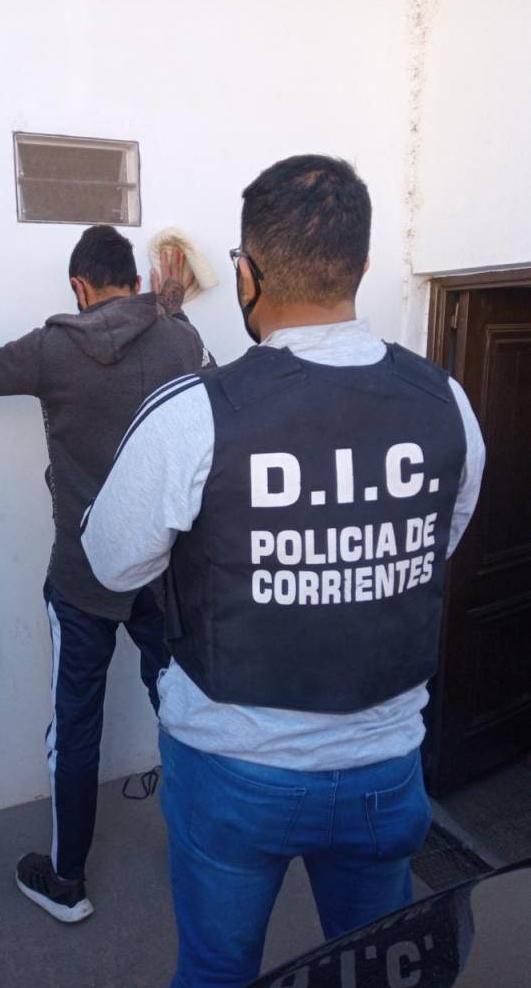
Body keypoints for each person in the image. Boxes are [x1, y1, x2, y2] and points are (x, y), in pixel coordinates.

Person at [81, 155, 486, 987]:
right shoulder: (447, 402)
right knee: (381, 971)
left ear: (247, 274)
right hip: (383, 767)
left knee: (217, 972)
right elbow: (427, 547)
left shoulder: (194, 412)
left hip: (232, 768)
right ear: (361, 266)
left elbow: (111, 564)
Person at [0, 224, 211, 924]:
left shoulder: (53, 348)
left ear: (79, 287)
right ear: (135, 281)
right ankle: (202, 858)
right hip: (164, 574)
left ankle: (68, 882)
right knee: (183, 713)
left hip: (83, 579)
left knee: (76, 727)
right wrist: (173, 308)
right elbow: (207, 394)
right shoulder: (180, 341)